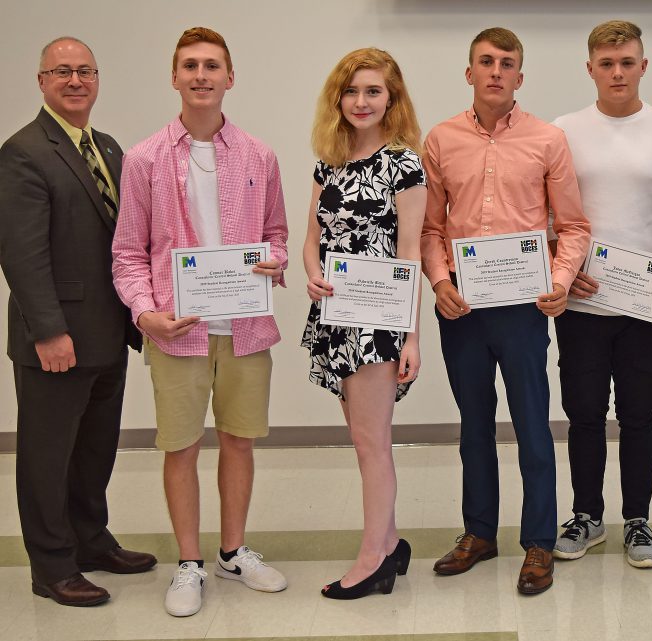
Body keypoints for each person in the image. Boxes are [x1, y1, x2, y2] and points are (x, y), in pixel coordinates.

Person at [112, 27, 289, 616]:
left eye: (212, 65)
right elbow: (128, 254)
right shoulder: (143, 159)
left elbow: (278, 236)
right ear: (174, 77)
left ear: (230, 77)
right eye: (190, 65)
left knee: (239, 442)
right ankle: (189, 562)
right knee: (181, 447)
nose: (201, 75)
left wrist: (276, 260)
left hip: (245, 329)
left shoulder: (259, 155)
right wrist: (146, 314)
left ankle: (233, 551)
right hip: (178, 333)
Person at [421, 27, 590, 595]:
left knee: (532, 428)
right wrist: (440, 281)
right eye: (485, 62)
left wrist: (561, 281)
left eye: (507, 63)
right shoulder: (441, 139)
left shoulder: (547, 139)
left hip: (523, 309)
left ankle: (539, 540)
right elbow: (430, 227)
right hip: (462, 309)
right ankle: (479, 533)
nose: (496, 71)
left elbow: (572, 226)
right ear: (469, 73)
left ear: (521, 76)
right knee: (473, 429)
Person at [0, 36, 157, 607]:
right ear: (40, 81)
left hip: (109, 333)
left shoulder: (109, 148)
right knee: (47, 455)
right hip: (58, 339)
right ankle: (51, 565)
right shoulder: (23, 152)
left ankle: (91, 540)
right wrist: (47, 330)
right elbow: (21, 253)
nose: (74, 80)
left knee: (95, 448)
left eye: (84, 71)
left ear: (97, 78)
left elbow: (126, 241)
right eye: (61, 71)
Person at [549, 20, 652, 569]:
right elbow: (546, 212)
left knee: (639, 415)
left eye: (627, 62)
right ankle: (586, 515)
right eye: (606, 64)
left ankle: (638, 520)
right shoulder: (562, 130)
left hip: (645, 302)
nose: (617, 72)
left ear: (643, 66)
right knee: (583, 413)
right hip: (582, 298)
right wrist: (566, 266)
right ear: (590, 68)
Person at [302, 48, 427, 599]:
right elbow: (312, 238)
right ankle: (392, 542)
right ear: (339, 98)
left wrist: (411, 335)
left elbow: (410, 254)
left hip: (378, 322)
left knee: (372, 443)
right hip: (334, 315)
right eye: (351, 91)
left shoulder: (404, 164)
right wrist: (311, 273)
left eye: (373, 91)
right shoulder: (327, 159)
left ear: (391, 99)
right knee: (361, 441)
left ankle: (372, 558)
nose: (361, 101)